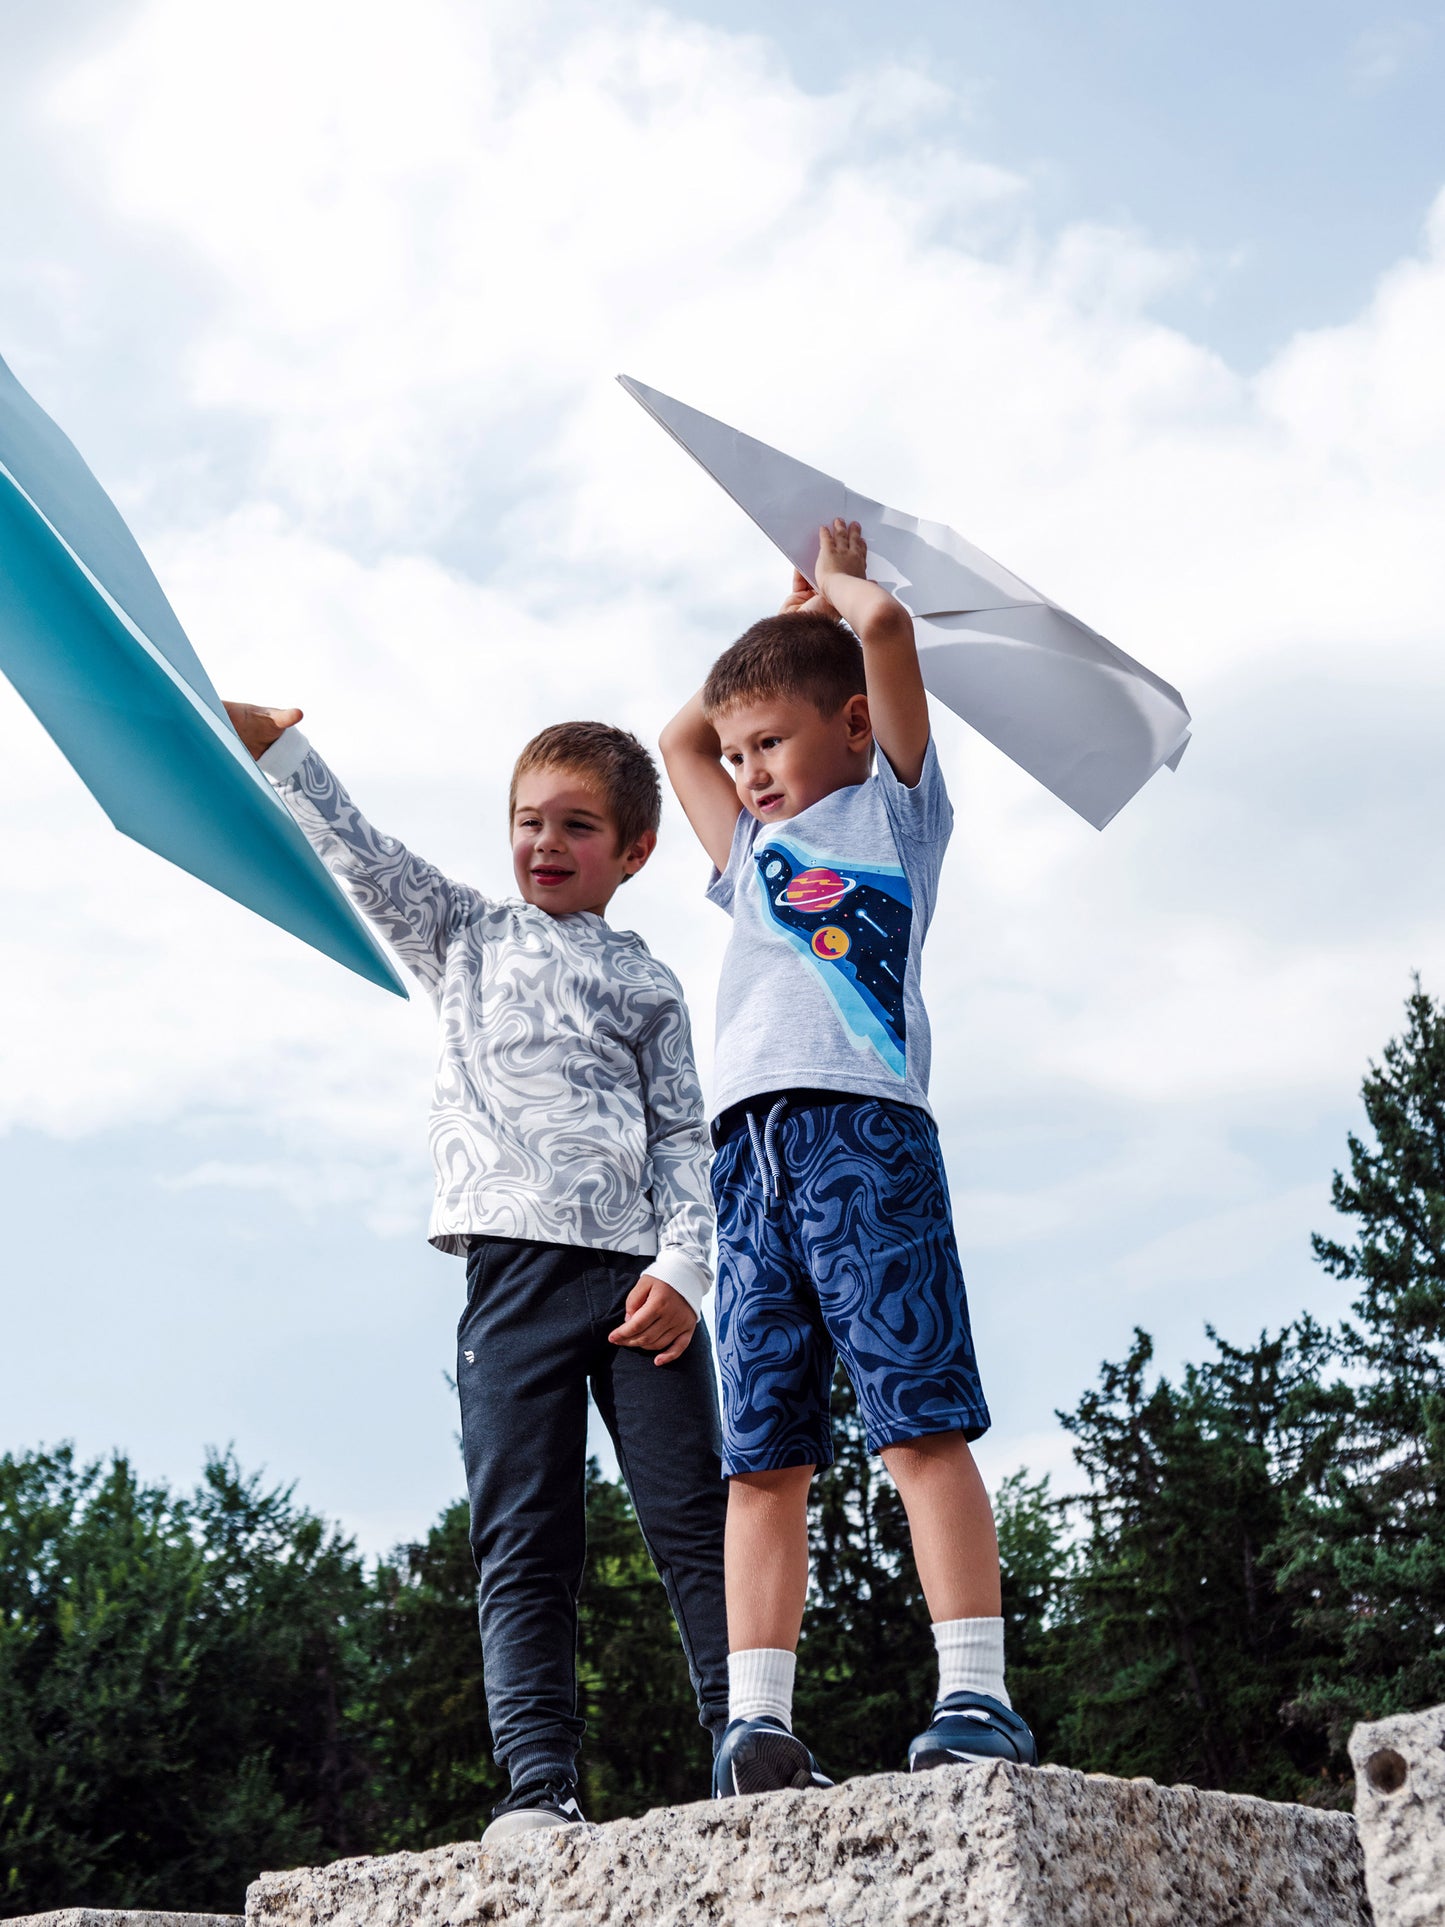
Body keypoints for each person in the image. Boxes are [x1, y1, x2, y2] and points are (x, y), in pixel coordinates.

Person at [224, 702, 729, 1838]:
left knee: (692, 1515)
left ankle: (746, 1738)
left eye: (576, 826)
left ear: (634, 850)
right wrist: (281, 751)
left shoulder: (648, 984)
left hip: (640, 1289)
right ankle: (537, 1785)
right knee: (523, 1535)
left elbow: (688, 1139)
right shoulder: (463, 935)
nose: (544, 844)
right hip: (508, 1293)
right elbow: (362, 852)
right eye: (526, 822)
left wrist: (687, 1268)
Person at [659, 518, 1038, 1797]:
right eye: (740, 752)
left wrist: (826, 602)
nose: (747, 769)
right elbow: (675, 740)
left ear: (852, 731)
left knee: (915, 1421)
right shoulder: (749, 860)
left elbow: (882, 632)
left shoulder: (894, 816)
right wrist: (764, 637)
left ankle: (974, 1695)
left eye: (770, 743)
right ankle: (754, 1725)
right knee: (760, 1453)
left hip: (860, 1137)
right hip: (746, 1156)